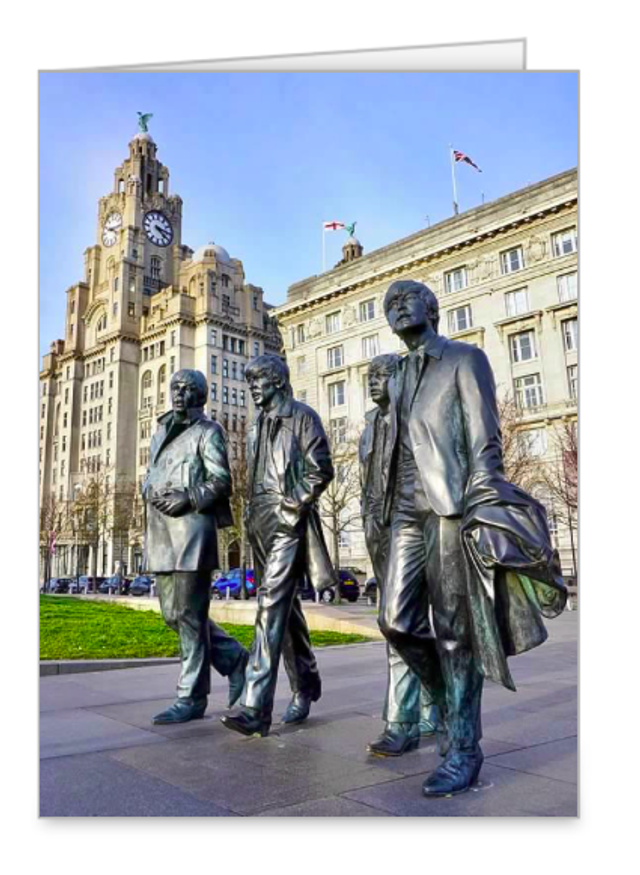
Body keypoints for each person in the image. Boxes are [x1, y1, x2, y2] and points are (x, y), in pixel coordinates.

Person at [380, 279, 504, 797]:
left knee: (454, 631)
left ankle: (463, 746)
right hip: (405, 508)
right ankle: (446, 703)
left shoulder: (463, 359)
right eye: (389, 303)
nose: (398, 306)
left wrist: (484, 499)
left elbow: (484, 436)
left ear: (432, 308)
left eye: (408, 297)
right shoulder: (396, 374)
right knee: (394, 621)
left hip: (450, 503)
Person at [221, 355, 335, 738]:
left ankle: (255, 707)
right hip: (259, 522)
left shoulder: (302, 417)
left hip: (288, 520)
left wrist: (293, 504)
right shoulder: (256, 427)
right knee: (284, 611)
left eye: (261, 380)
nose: (254, 387)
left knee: (270, 606)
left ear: (278, 382)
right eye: (251, 381)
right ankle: (306, 682)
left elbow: (321, 469)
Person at [143, 369, 248, 725]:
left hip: (191, 531)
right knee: (174, 614)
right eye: (175, 387)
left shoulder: (208, 432)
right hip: (160, 531)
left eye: (188, 388)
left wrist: (188, 496)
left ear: (200, 395)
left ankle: (191, 696)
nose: (179, 393)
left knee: (189, 616)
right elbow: (150, 474)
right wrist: (149, 490)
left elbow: (221, 481)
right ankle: (235, 659)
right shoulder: (160, 431)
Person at [360, 354, 442, 757]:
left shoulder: (415, 418)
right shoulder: (370, 425)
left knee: (399, 625)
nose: (374, 382)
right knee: (399, 625)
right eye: (369, 377)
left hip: (422, 527)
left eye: (382, 375)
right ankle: (430, 704)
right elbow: (368, 485)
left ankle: (403, 720)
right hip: (383, 532)